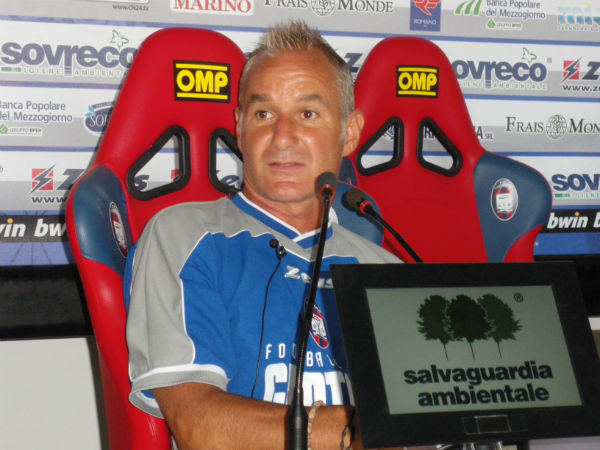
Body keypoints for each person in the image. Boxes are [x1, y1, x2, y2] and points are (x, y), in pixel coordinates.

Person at [125, 20, 400, 449]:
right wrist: (358, 433)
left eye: (307, 114)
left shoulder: (384, 269)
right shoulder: (182, 238)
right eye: (263, 114)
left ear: (349, 133)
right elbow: (201, 428)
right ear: (239, 127)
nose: (282, 137)